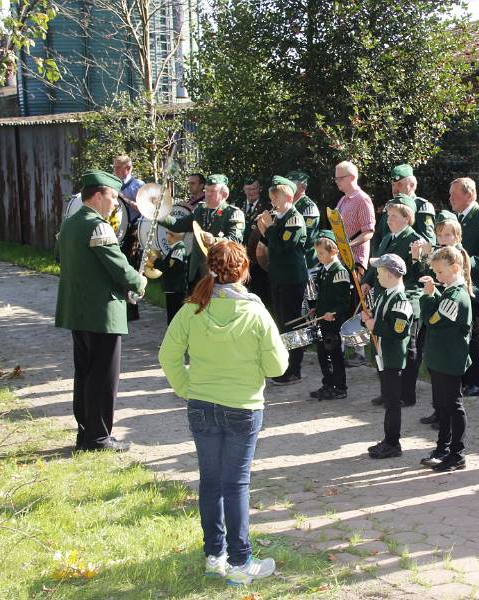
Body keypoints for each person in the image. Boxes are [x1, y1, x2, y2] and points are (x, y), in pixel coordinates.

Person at [158, 240, 288, 585]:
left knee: (211, 482)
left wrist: (187, 388)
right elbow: (277, 367)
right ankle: (240, 562)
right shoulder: (256, 312)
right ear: (243, 270)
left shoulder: (192, 309)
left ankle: (214, 556)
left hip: (201, 404)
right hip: (243, 406)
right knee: (236, 484)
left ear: (210, 268)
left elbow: (167, 356)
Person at [54, 170, 147, 452]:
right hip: (101, 313)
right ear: (97, 196)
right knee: (103, 377)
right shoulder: (98, 227)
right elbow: (118, 267)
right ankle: (98, 438)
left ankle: (85, 433)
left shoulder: (70, 224)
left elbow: (60, 258)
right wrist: (139, 281)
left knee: (84, 373)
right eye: (112, 197)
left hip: (78, 311)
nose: (116, 204)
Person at [361, 194, 423, 407]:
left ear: (407, 217)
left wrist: (417, 258)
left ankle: (406, 393)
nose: (389, 220)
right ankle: (387, 391)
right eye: (388, 216)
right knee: (380, 344)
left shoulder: (414, 240)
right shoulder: (388, 238)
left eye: (394, 216)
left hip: (405, 301)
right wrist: (367, 281)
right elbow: (378, 264)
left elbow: (418, 274)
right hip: (384, 298)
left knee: (407, 348)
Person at [419, 245, 474, 472]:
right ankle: (443, 448)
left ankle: (457, 454)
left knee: (453, 406)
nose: (437, 276)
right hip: (440, 359)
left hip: (449, 361)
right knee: (442, 406)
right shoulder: (449, 292)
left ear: (455, 268)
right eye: (435, 272)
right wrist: (434, 293)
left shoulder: (456, 296)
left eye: (440, 272)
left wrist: (427, 296)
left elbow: (432, 319)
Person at [253, 176, 309, 385]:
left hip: (292, 278)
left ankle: (294, 369)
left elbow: (284, 246)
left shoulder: (294, 219)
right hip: (278, 277)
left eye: (276, 198)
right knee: (281, 322)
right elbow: (269, 244)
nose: (273, 202)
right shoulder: (279, 218)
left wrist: (269, 228)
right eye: (271, 198)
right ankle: (283, 365)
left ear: (288, 197)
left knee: (292, 323)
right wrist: (262, 228)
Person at [410, 210, 463, 426]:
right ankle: (438, 409)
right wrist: (417, 258)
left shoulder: (458, 256)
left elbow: (455, 285)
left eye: (447, 235)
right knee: (433, 365)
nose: (442, 239)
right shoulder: (439, 255)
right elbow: (423, 276)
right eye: (439, 235)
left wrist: (433, 292)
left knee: (445, 371)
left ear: (457, 236)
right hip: (435, 308)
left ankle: (446, 414)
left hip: (447, 316)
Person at [448, 177, 479, 397]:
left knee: (469, 333)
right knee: (455, 332)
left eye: (455, 194)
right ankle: (458, 377)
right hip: (455, 283)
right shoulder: (456, 218)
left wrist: (466, 264)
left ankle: (475, 381)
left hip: (473, 285)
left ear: (469, 194)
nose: (450, 198)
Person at [364, 254, 414, 459]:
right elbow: (379, 318)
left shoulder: (401, 301)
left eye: (379, 272)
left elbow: (397, 331)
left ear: (391, 275)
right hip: (383, 356)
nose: (376, 276)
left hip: (393, 358)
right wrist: (368, 318)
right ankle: (388, 439)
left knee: (393, 403)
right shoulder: (385, 295)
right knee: (387, 399)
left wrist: (374, 325)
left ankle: (393, 443)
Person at [159, 174, 245, 291]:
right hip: (196, 271)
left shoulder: (232, 213)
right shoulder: (200, 210)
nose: (207, 194)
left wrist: (215, 240)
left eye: (212, 191)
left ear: (224, 194)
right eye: (206, 190)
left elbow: (235, 240)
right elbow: (178, 225)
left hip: (220, 272)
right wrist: (158, 214)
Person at [334, 161, 376, 367]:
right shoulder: (343, 200)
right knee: (342, 304)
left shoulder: (362, 199)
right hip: (341, 260)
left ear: (351, 177)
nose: (336, 182)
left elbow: (369, 231)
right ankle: (341, 348)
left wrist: (349, 245)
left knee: (356, 305)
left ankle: (359, 352)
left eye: (339, 178)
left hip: (356, 261)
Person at [309, 231, 353, 401]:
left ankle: (340, 387)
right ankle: (327, 384)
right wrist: (316, 309)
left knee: (334, 355)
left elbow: (344, 302)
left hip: (333, 323)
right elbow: (323, 296)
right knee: (322, 354)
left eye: (321, 253)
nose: (318, 256)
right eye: (317, 253)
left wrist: (332, 313)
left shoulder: (340, 272)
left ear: (333, 252)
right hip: (323, 321)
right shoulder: (323, 270)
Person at [113, 154, 145, 322]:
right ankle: (118, 307)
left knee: (130, 268)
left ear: (128, 168)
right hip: (116, 231)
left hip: (133, 231)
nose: (115, 170)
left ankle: (132, 310)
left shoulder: (138, 185)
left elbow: (145, 209)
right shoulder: (112, 184)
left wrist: (124, 199)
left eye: (118, 167)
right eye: (114, 167)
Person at [235, 176, 271, 306]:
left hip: (258, 257)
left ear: (259, 189)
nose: (251, 192)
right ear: (243, 189)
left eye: (254, 189)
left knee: (259, 292)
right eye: (248, 189)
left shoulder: (267, 207)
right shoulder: (237, 204)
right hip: (240, 255)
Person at [389, 164, 436, 246]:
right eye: (393, 185)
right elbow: (379, 236)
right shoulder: (390, 206)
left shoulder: (421, 207)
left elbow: (428, 241)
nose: (394, 190)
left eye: (400, 184)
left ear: (412, 185)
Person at [151, 230, 188, 324]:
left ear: (172, 235)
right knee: (173, 317)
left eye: (167, 233)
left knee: (174, 318)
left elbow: (170, 269)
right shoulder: (176, 248)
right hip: (174, 289)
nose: (166, 236)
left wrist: (155, 261)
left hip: (175, 289)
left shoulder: (178, 250)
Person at [287, 170, 321, 269]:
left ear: (302, 186)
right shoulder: (288, 204)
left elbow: (306, 237)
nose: (286, 187)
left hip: (306, 261)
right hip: (291, 259)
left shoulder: (309, 207)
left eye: (290, 184)